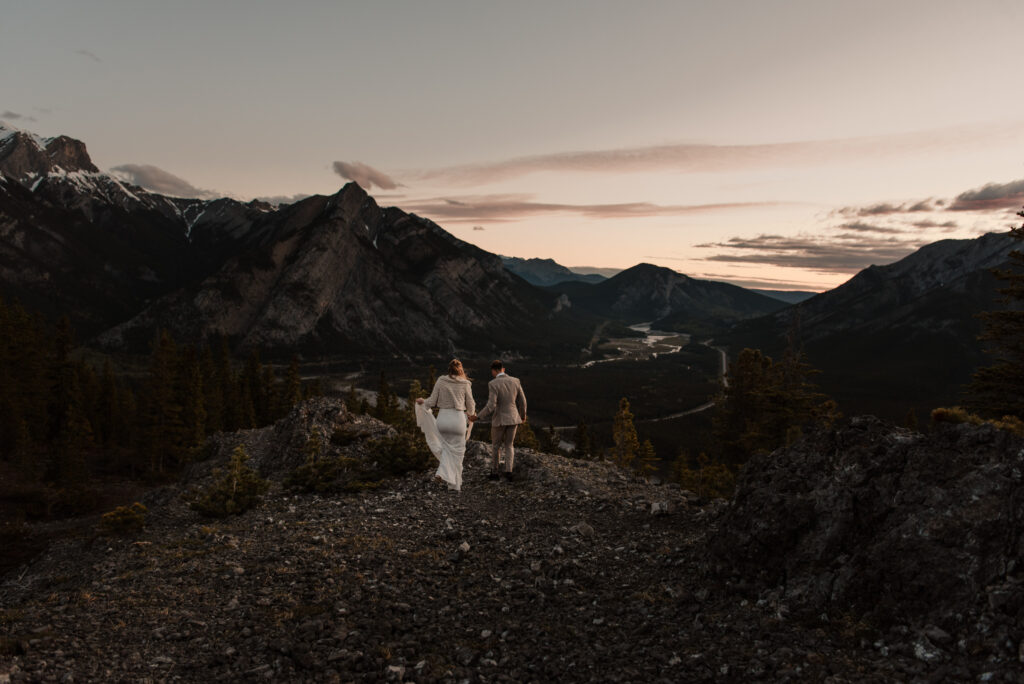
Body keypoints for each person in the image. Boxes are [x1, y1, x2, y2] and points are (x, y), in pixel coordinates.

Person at [415, 359, 476, 491]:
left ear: (449, 369)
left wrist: (422, 401)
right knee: (458, 454)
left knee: (447, 450)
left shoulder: (441, 381)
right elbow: (471, 405)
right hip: (458, 420)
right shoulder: (466, 384)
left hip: (443, 419)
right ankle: (450, 481)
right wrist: (471, 414)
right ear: (461, 370)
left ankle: (449, 482)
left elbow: (431, 401)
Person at [474, 359, 527, 481]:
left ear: (493, 371)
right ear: (503, 369)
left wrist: (478, 417)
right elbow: (523, 401)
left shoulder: (493, 384)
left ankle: (495, 473)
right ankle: (509, 472)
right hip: (514, 418)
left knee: (496, 446)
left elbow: (491, 406)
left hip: (499, 419)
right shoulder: (516, 381)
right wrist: (522, 416)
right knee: (509, 445)